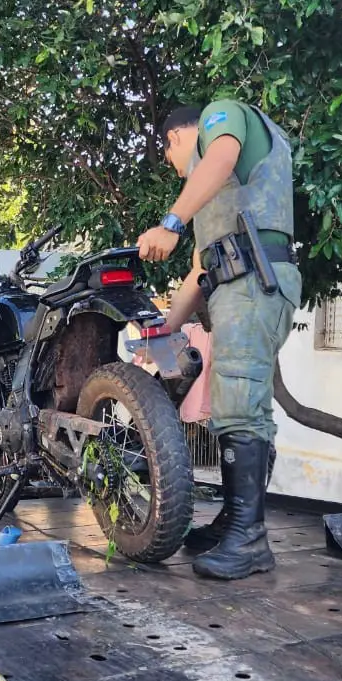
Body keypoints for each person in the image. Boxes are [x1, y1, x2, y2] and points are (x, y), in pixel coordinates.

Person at [136, 100, 303, 580]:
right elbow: (198, 269)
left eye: (169, 157)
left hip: (254, 281)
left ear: (175, 138)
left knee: (238, 401)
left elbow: (221, 158)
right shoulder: (217, 198)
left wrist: (170, 223)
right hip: (238, 281)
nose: (176, 170)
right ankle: (235, 520)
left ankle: (248, 541)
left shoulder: (222, 117)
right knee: (241, 400)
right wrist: (165, 330)